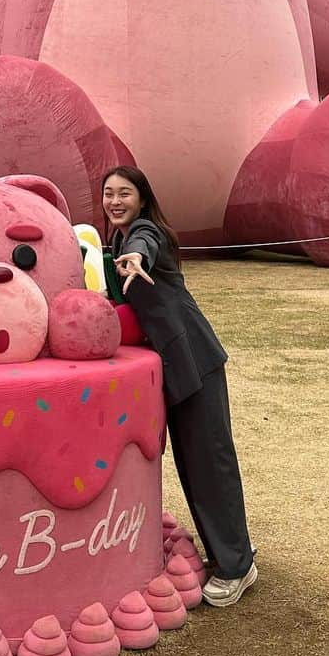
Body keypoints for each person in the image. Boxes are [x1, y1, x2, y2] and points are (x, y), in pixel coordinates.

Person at [102, 166, 258, 609]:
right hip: (174, 368)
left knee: (212, 464)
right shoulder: (114, 238)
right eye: (109, 194)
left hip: (196, 360)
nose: (116, 201)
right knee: (194, 466)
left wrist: (137, 256)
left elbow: (144, 244)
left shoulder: (145, 233)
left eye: (124, 194)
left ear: (142, 198)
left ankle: (236, 567)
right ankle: (230, 551)